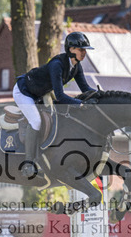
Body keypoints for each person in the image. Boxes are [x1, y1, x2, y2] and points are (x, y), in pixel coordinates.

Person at [13, 31, 97, 177]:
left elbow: (85, 88)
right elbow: (60, 96)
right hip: (24, 91)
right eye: (81, 49)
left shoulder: (76, 66)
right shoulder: (57, 65)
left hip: (40, 93)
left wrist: (101, 95)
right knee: (36, 121)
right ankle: (28, 164)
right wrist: (81, 104)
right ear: (71, 49)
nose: (84, 53)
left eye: (85, 50)